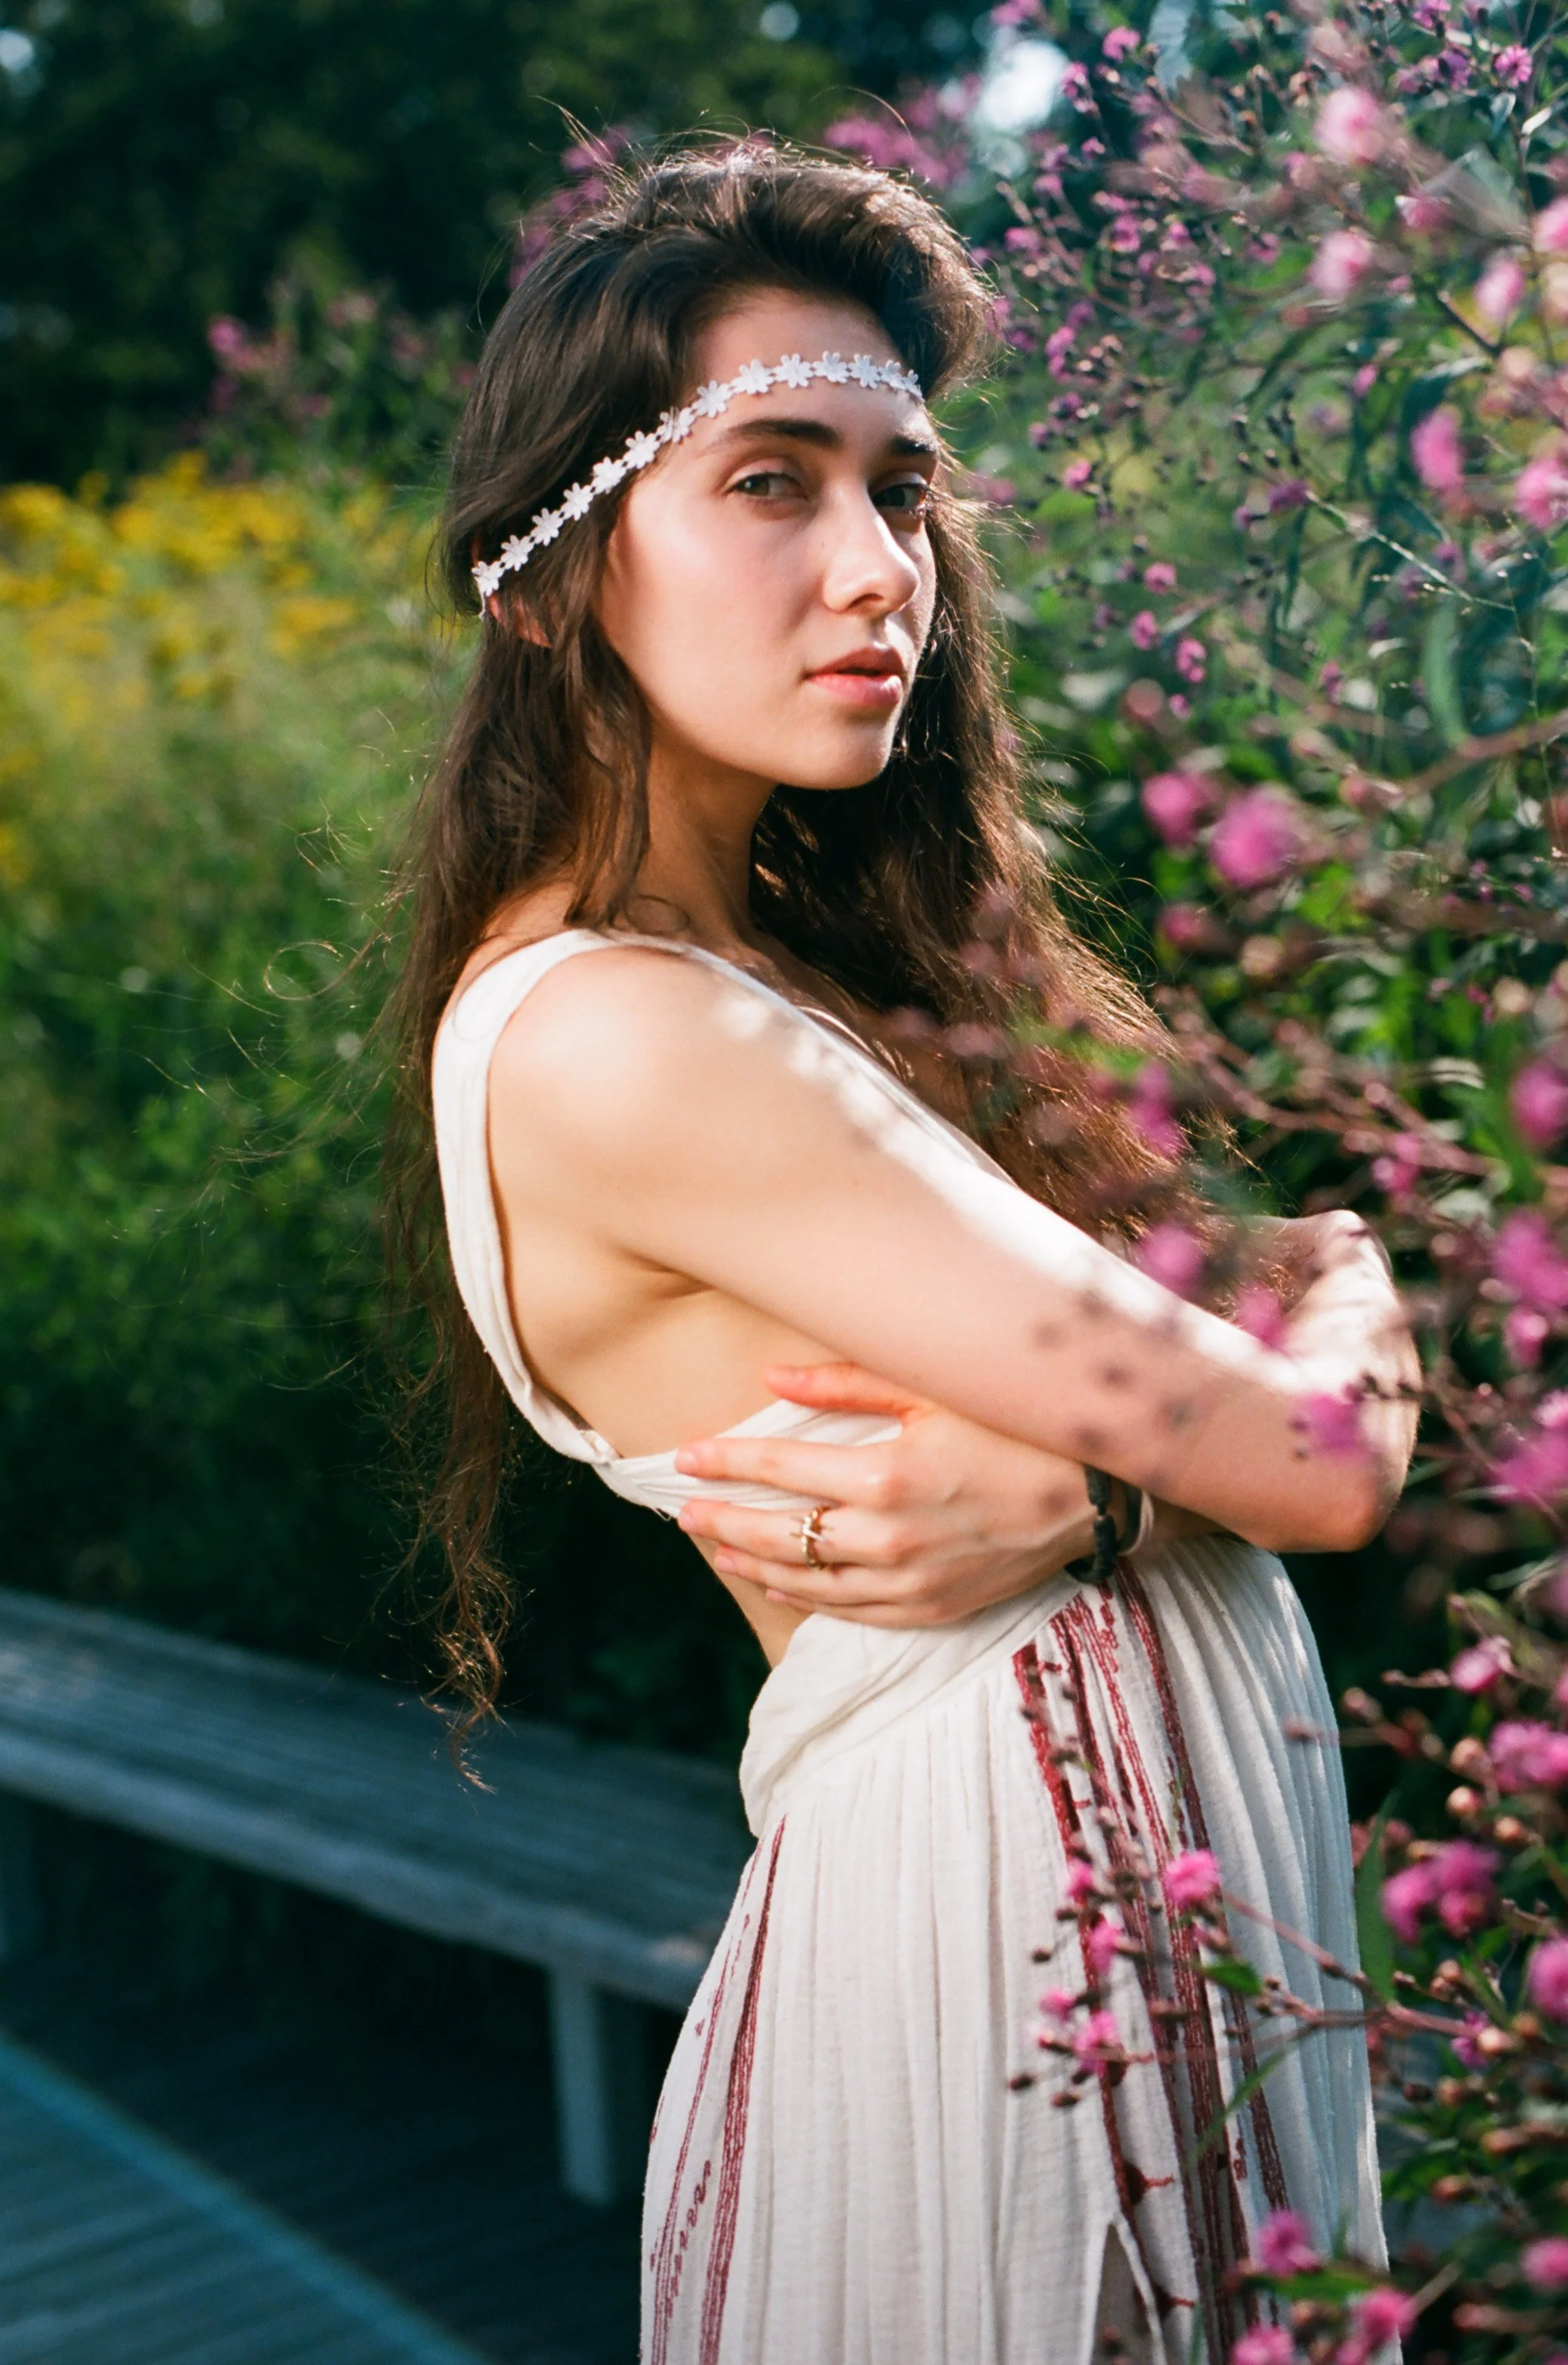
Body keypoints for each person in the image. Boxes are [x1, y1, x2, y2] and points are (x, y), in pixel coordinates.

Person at [394, 142, 1418, 2365]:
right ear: (552, 579)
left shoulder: (791, 978)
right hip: (1002, 1986)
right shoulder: (627, 1036)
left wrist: (1114, 1471)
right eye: (772, 480)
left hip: (1110, 1932)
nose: (880, 569)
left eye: (900, 488)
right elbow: (1327, 1446)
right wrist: (1216, 1419)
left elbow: (1301, 1309)